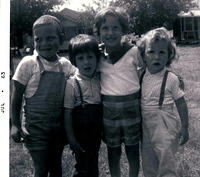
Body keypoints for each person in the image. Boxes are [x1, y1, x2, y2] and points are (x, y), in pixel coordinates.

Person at [10, 15, 76, 177]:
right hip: (35, 129)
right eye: (39, 39)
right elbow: (16, 96)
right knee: (41, 168)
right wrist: (15, 125)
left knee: (56, 167)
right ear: (33, 41)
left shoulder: (65, 66)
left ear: (61, 39)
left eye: (51, 38)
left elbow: (81, 79)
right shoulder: (28, 63)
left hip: (57, 128)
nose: (44, 43)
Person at [94, 7, 143, 177]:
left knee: (132, 150)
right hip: (109, 110)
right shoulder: (97, 55)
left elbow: (145, 72)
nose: (110, 32)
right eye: (105, 28)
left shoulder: (133, 52)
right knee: (113, 151)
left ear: (123, 29)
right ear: (99, 31)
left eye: (115, 28)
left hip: (132, 108)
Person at [137, 27, 189, 177]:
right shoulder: (141, 76)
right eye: (151, 52)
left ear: (169, 56)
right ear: (143, 55)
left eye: (162, 53)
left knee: (166, 159)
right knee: (148, 160)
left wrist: (184, 127)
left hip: (165, 125)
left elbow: (181, 103)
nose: (156, 57)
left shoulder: (171, 78)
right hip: (145, 126)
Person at [64, 34, 103, 177]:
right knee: (82, 166)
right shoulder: (72, 83)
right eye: (81, 58)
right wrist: (71, 139)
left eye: (90, 57)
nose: (86, 62)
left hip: (96, 132)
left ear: (97, 58)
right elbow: (67, 114)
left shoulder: (99, 77)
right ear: (74, 61)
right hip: (81, 133)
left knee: (93, 162)